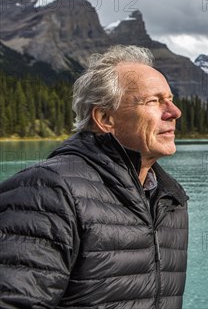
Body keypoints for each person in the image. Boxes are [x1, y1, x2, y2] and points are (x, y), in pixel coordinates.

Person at [0, 45, 189, 308]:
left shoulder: (170, 200)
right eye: (154, 101)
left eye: (170, 99)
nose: (174, 112)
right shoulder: (46, 191)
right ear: (104, 117)